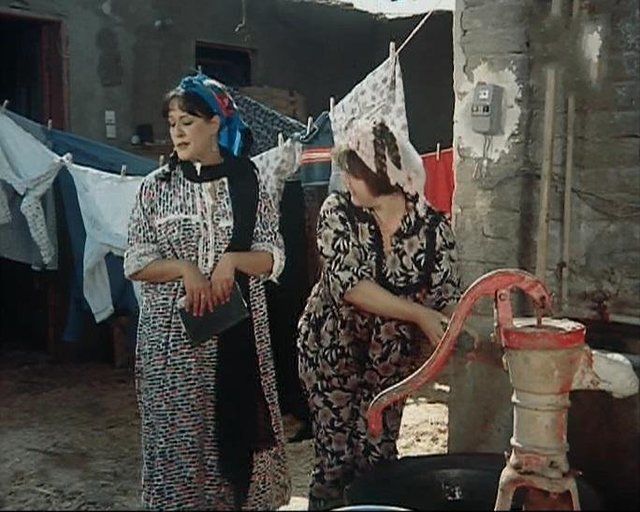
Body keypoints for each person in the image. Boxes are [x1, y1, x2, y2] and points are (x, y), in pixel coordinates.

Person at [124, 73, 290, 510]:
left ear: (215, 123)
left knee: (231, 433)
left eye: (188, 122)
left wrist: (233, 261)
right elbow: (136, 260)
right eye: (172, 123)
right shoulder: (156, 187)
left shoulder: (248, 181)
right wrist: (185, 270)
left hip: (236, 335)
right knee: (178, 433)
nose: (177, 133)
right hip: (173, 342)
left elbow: (273, 255)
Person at [297, 118, 462, 510]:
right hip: (331, 353)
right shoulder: (338, 212)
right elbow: (350, 285)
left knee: (378, 459)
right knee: (335, 460)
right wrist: (418, 314)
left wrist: (449, 330)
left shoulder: (434, 230)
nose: (345, 181)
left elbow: (448, 297)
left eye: (353, 173)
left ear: (381, 174)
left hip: (390, 367)